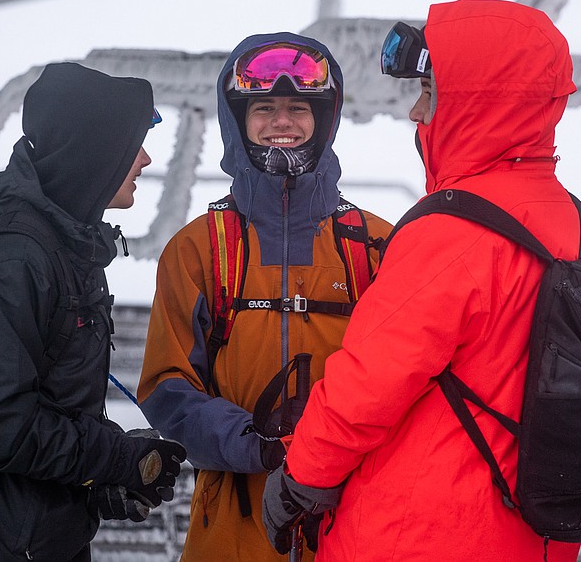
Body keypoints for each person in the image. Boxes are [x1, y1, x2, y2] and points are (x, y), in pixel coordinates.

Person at [262, 0, 581, 561]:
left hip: (424, 531)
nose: (416, 112)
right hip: (528, 532)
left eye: (431, 93)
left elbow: (370, 380)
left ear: (478, 106)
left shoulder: (454, 231)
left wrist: (300, 475)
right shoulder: (565, 216)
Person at [0, 62, 186, 562]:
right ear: (91, 154)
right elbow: (2, 430)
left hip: (34, 537)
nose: (145, 159)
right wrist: (117, 459)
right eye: (132, 145)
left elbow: (50, 407)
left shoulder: (64, 251)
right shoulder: (16, 262)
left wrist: (102, 475)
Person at [137, 33, 393, 561]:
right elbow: (167, 386)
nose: (283, 120)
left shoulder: (376, 246)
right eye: (264, 108)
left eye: (299, 107)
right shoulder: (199, 249)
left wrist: (327, 454)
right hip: (234, 527)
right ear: (237, 118)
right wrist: (258, 445)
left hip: (354, 520)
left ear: (325, 119)